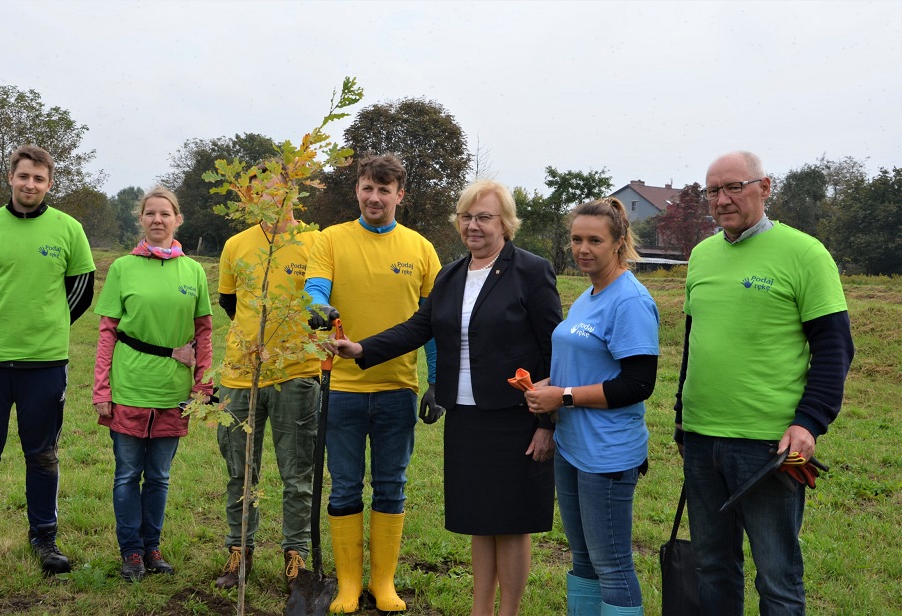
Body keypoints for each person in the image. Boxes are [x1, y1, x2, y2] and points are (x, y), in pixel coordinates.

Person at [333, 179, 562, 616]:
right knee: (479, 520)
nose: (473, 226)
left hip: (516, 417)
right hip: (466, 418)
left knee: (512, 523)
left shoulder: (531, 271)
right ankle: (480, 610)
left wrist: (546, 423)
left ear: (505, 223)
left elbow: (554, 348)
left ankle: (508, 612)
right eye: (466, 217)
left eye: (484, 217)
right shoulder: (452, 274)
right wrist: (362, 348)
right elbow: (419, 327)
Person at [674, 151, 854, 615]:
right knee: (712, 568)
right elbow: (695, 342)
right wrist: (681, 416)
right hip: (701, 439)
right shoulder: (701, 256)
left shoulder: (805, 253)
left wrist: (809, 422)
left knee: (777, 579)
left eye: (734, 187)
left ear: (765, 188)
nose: (722, 200)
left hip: (768, 448)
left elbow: (834, 347)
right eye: (713, 191)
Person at [0, 145, 95, 576]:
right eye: (24, 176)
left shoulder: (69, 229)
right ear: (11, 177)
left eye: (39, 179)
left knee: (43, 455)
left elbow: (81, 289)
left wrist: (47, 324)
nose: (31, 184)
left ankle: (44, 538)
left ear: (49, 184)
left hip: (45, 363)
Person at [304, 153, 443, 613]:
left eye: (385, 190)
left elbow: (434, 324)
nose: (375, 197)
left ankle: (383, 584)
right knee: (345, 486)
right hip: (341, 389)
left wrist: (437, 381)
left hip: (397, 389)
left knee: (391, 486)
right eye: (368, 188)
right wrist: (318, 308)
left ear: (400, 195)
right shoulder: (330, 239)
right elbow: (315, 288)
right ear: (357, 190)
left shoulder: (421, 249)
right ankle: (348, 585)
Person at [525, 197, 659, 616]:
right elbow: (587, 363)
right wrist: (549, 386)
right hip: (573, 446)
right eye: (576, 239)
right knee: (582, 559)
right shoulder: (588, 294)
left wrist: (562, 396)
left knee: (613, 565)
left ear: (618, 242)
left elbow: (638, 384)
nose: (583, 249)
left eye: (594, 240)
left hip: (608, 453)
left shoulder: (630, 300)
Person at [92, 186, 213, 581]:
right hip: (129, 386)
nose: (157, 219)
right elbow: (107, 333)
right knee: (127, 474)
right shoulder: (122, 268)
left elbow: (204, 333)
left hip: (172, 391)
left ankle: (152, 547)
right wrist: (101, 389)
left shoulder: (193, 271)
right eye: (150, 213)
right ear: (141, 219)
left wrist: (202, 386)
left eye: (165, 213)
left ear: (177, 219)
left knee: (159, 476)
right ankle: (131, 552)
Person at [213, 167, 321, 591]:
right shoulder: (236, 244)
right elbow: (229, 302)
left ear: (295, 193)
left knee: (297, 474)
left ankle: (296, 555)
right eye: (262, 193)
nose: (273, 199)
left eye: (280, 192)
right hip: (241, 375)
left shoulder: (315, 242)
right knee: (240, 471)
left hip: (297, 374)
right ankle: (239, 550)